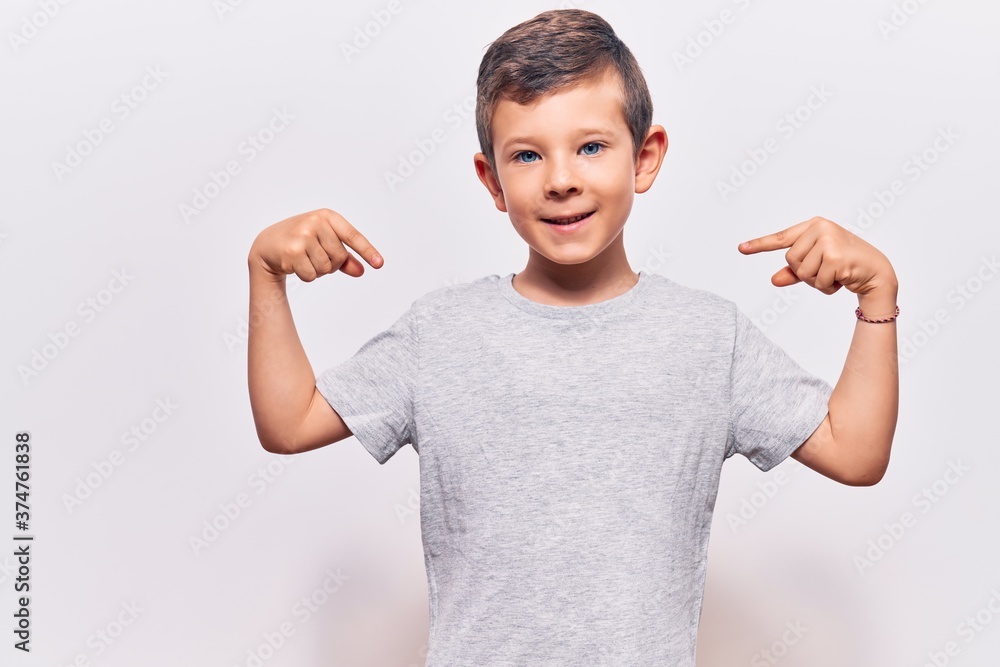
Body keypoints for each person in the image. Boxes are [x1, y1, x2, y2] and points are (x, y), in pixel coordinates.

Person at [246, 8, 899, 665]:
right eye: (527, 154)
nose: (561, 178)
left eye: (590, 146)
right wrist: (266, 273)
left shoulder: (707, 337)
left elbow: (856, 451)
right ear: (491, 180)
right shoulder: (440, 332)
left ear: (645, 157)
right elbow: (290, 421)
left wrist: (877, 297)